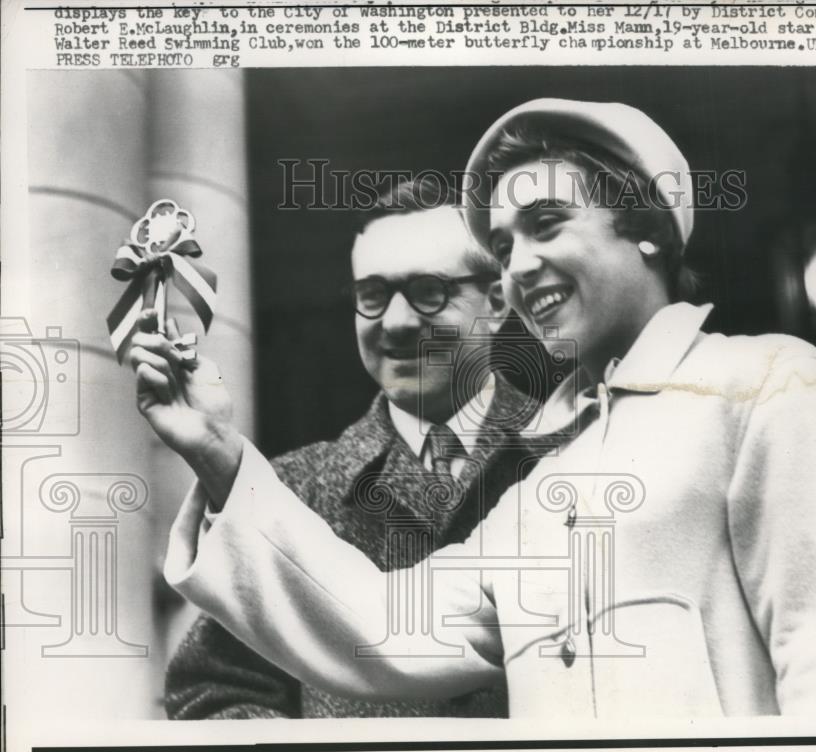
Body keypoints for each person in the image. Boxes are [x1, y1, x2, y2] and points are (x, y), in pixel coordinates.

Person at [150, 99, 816, 718]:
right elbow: (381, 624)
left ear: (648, 229)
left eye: (546, 225)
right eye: (503, 244)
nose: (520, 266)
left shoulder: (763, 385)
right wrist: (218, 449)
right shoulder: (537, 482)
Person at [137, 177, 542, 718]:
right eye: (372, 296)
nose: (395, 323)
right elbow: (214, 692)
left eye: (428, 291)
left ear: (497, 302)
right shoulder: (289, 488)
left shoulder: (577, 454)